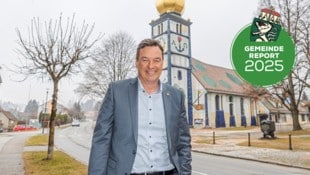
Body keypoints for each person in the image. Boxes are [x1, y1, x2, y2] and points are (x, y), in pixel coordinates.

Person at [88, 38, 192, 175]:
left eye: (156, 60)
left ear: (162, 63)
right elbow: (101, 140)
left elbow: (183, 143)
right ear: (137, 62)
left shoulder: (176, 96)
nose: (151, 66)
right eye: (145, 60)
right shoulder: (116, 91)